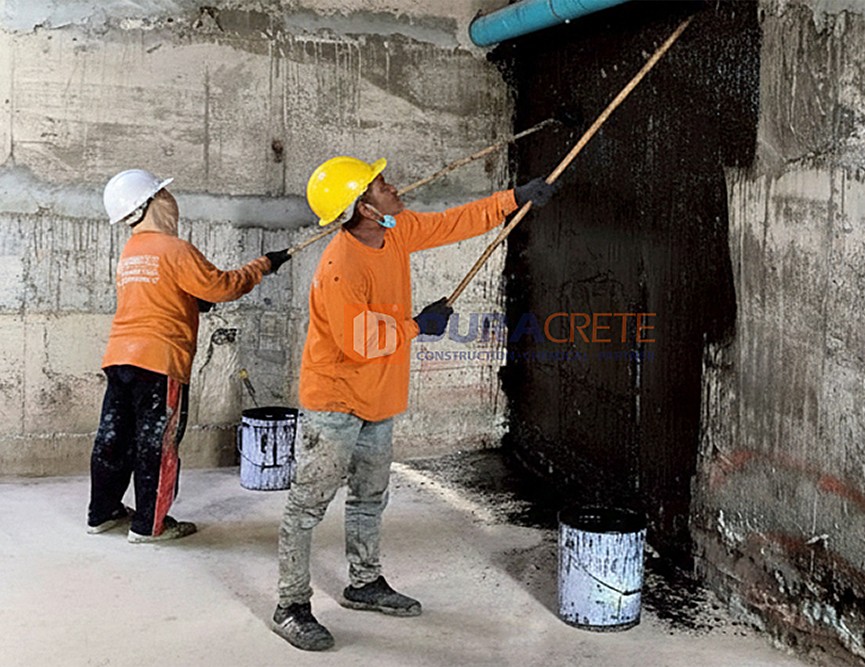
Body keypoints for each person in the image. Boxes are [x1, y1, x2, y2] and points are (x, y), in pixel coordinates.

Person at [272, 156, 556, 651]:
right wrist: (416, 326)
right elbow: (360, 340)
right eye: (381, 185)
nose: (393, 187)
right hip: (336, 401)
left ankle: (364, 583)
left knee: (370, 497)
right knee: (307, 505)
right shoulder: (340, 266)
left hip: (378, 395)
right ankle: (290, 606)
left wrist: (514, 199)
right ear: (363, 207)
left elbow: (451, 223)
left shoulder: (396, 230)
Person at [87, 169, 291, 544]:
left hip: (120, 357)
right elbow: (223, 287)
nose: (170, 200)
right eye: (162, 194)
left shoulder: (131, 253)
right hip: (159, 361)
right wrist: (263, 265)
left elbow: (157, 298)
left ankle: (103, 513)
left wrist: (192, 301)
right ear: (146, 205)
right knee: (157, 444)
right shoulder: (175, 249)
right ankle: (150, 526)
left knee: (114, 439)